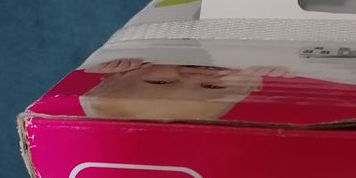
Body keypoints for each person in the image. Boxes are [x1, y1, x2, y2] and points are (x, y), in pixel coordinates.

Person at [80, 58, 289, 120]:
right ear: (252, 85)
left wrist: (111, 60)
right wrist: (277, 66)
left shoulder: (135, 57)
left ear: (115, 75)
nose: (190, 77)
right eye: (212, 86)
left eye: (160, 83)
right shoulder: (251, 68)